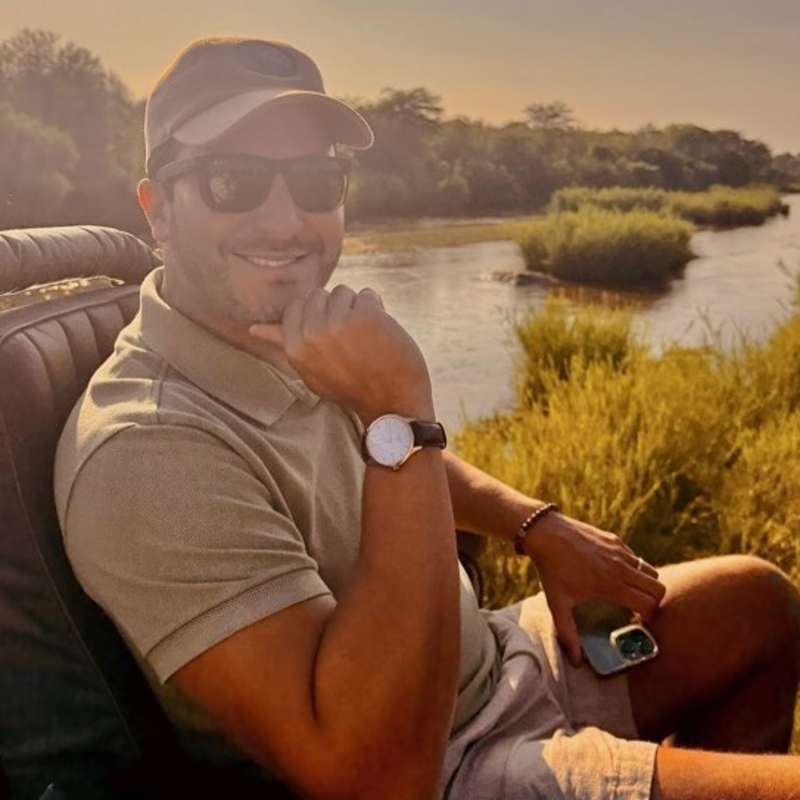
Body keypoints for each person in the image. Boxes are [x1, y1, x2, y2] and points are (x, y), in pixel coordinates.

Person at [54, 36, 800, 800]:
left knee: (754, 605)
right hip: (443, 761)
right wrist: (399, 408)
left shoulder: (286, 338)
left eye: (316, 182)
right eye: (231, 181)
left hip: (494, 661)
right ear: (158, 208)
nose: (286, 220)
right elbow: (376, 777)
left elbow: (389, 461)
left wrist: (537, 527)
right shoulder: (145, 453)